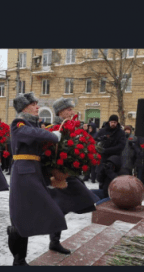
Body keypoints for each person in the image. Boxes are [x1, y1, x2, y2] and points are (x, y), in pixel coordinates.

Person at [7, 92, 66, 266]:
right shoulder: (19, 123)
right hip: (24, 174)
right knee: (21, 216)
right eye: (34, 104)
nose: (37, 107)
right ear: (24, 107)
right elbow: (30, 133)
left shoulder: (33, 124)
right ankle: (19, 259)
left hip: (34, 172)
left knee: (35, 213)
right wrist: (52, 136)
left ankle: (27, 249)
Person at [46, 97, 99, 255]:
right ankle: (54, 241)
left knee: (64, 205)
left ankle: (54, 240)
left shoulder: (71, 128)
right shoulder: (54, 128)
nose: (72, 112)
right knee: (60, 207)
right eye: (69, 110)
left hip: (67, 174)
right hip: (57, 175)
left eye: (71, 109)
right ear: (61, 112)